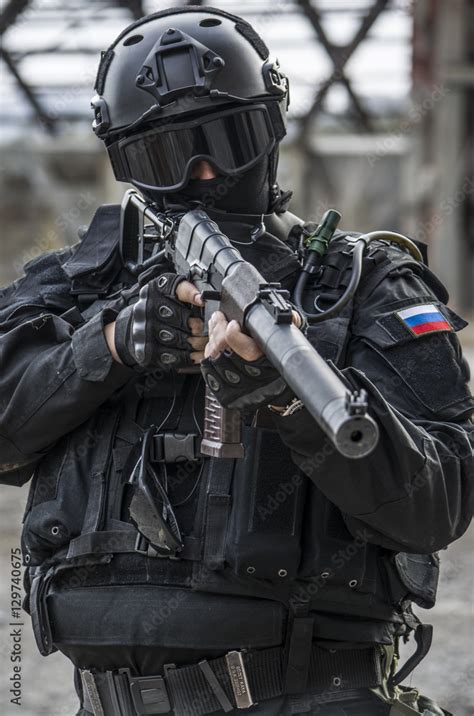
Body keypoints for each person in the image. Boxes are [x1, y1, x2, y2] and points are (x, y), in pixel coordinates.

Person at [0, 6, 472, 716]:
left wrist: (289, 399)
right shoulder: (74, 287)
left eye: (229, 139)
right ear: (125, 162)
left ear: (273, 129)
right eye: (165, 155)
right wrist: (110, 346)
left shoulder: (366, 288)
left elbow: (438, 505)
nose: (205, 172)